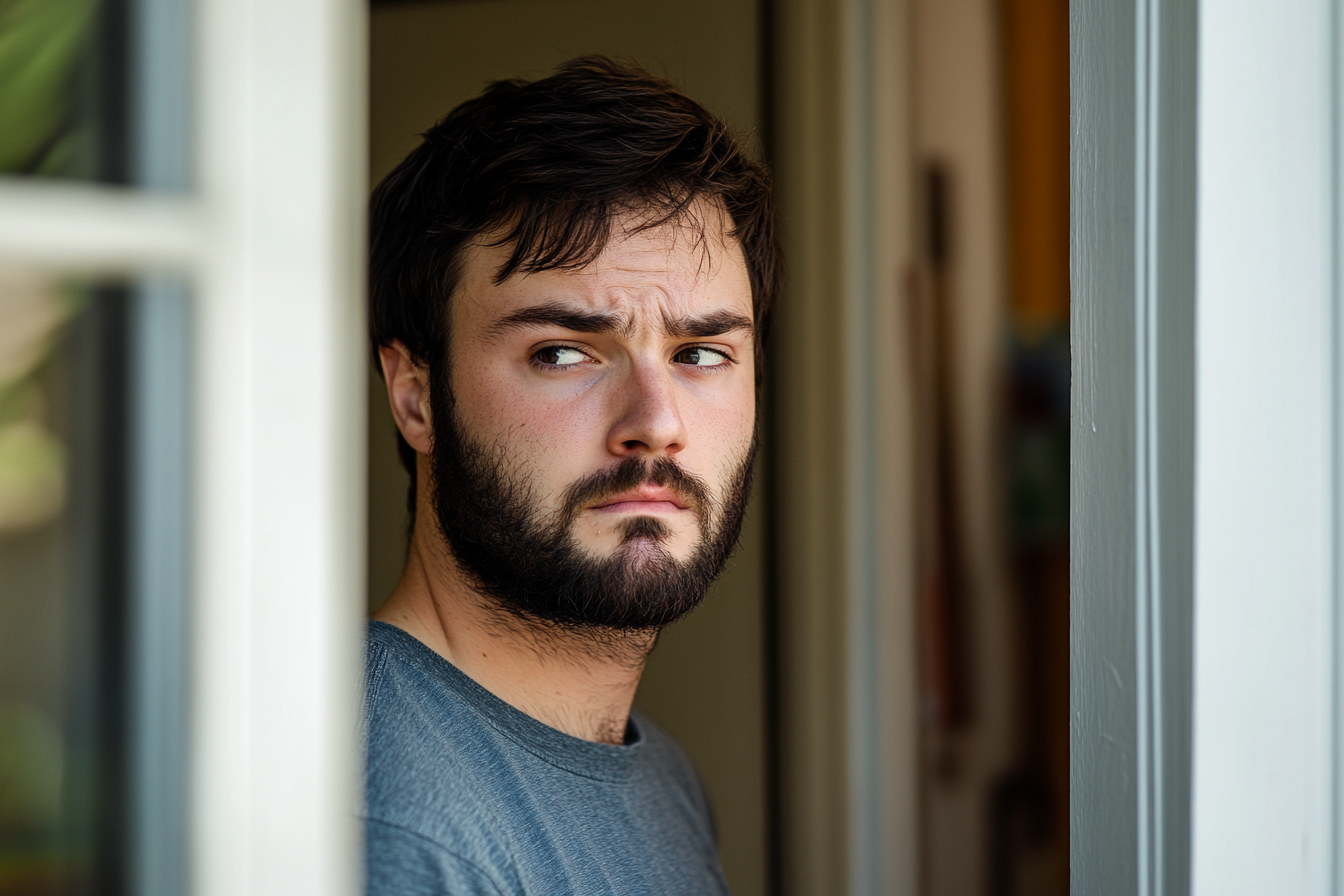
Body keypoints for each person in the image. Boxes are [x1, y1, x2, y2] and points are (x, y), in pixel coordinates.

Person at [362, 56, 779, 895]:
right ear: (416, 398)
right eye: (563, 353)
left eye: (701, 354)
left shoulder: (658, 776)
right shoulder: (396, 832)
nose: (656, 423)